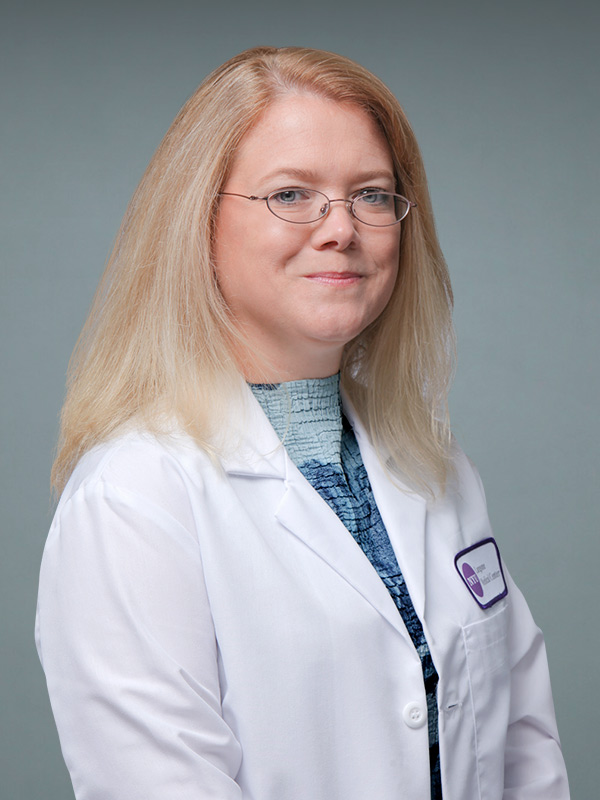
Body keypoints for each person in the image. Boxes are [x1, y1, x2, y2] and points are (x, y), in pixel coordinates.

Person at [36, 46, 569, 800]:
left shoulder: (436, 469)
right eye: (291, 194)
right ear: (199, 221)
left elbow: (525, 752)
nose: (341, 228)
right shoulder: (134, 496)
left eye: (372, 195)